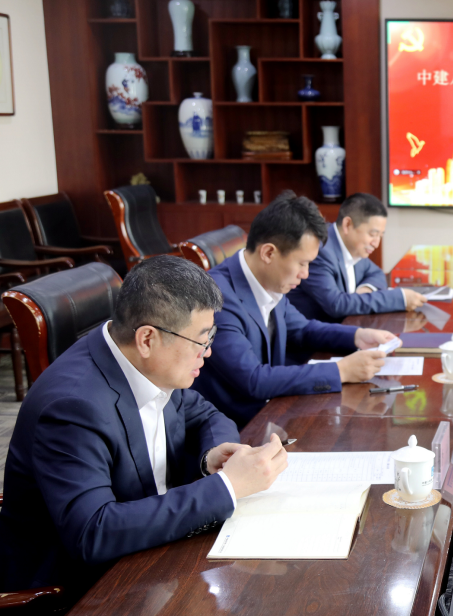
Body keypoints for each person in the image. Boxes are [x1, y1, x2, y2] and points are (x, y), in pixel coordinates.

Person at [0, 256, 288, 597]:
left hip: (154, 547)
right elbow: (93, 533)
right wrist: (227, 486)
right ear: (147, 339)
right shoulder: (72, 407)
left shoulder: (146, 361)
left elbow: (206, 415)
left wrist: (213, 455)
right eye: (201, 341)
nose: (207, 353)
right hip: (84, 587)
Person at [192, 191, 397, 427]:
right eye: (302, 263)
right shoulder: (217, 297)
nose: (306, 274)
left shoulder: (268, 279)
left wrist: (358, 335)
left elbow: (302, 329)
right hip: (237, 427)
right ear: (268, 253)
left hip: (275, 411)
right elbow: (253, 379)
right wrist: (340, 371)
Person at [288, 193, 427, 322]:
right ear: (348, 225)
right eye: (373, 234)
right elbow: (336, 305)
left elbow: (377, 273)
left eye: (380, 236)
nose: (376, 243)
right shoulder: (320, 251)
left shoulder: (353, 247)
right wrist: (399, 298)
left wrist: (365, 291)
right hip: (313, 336)